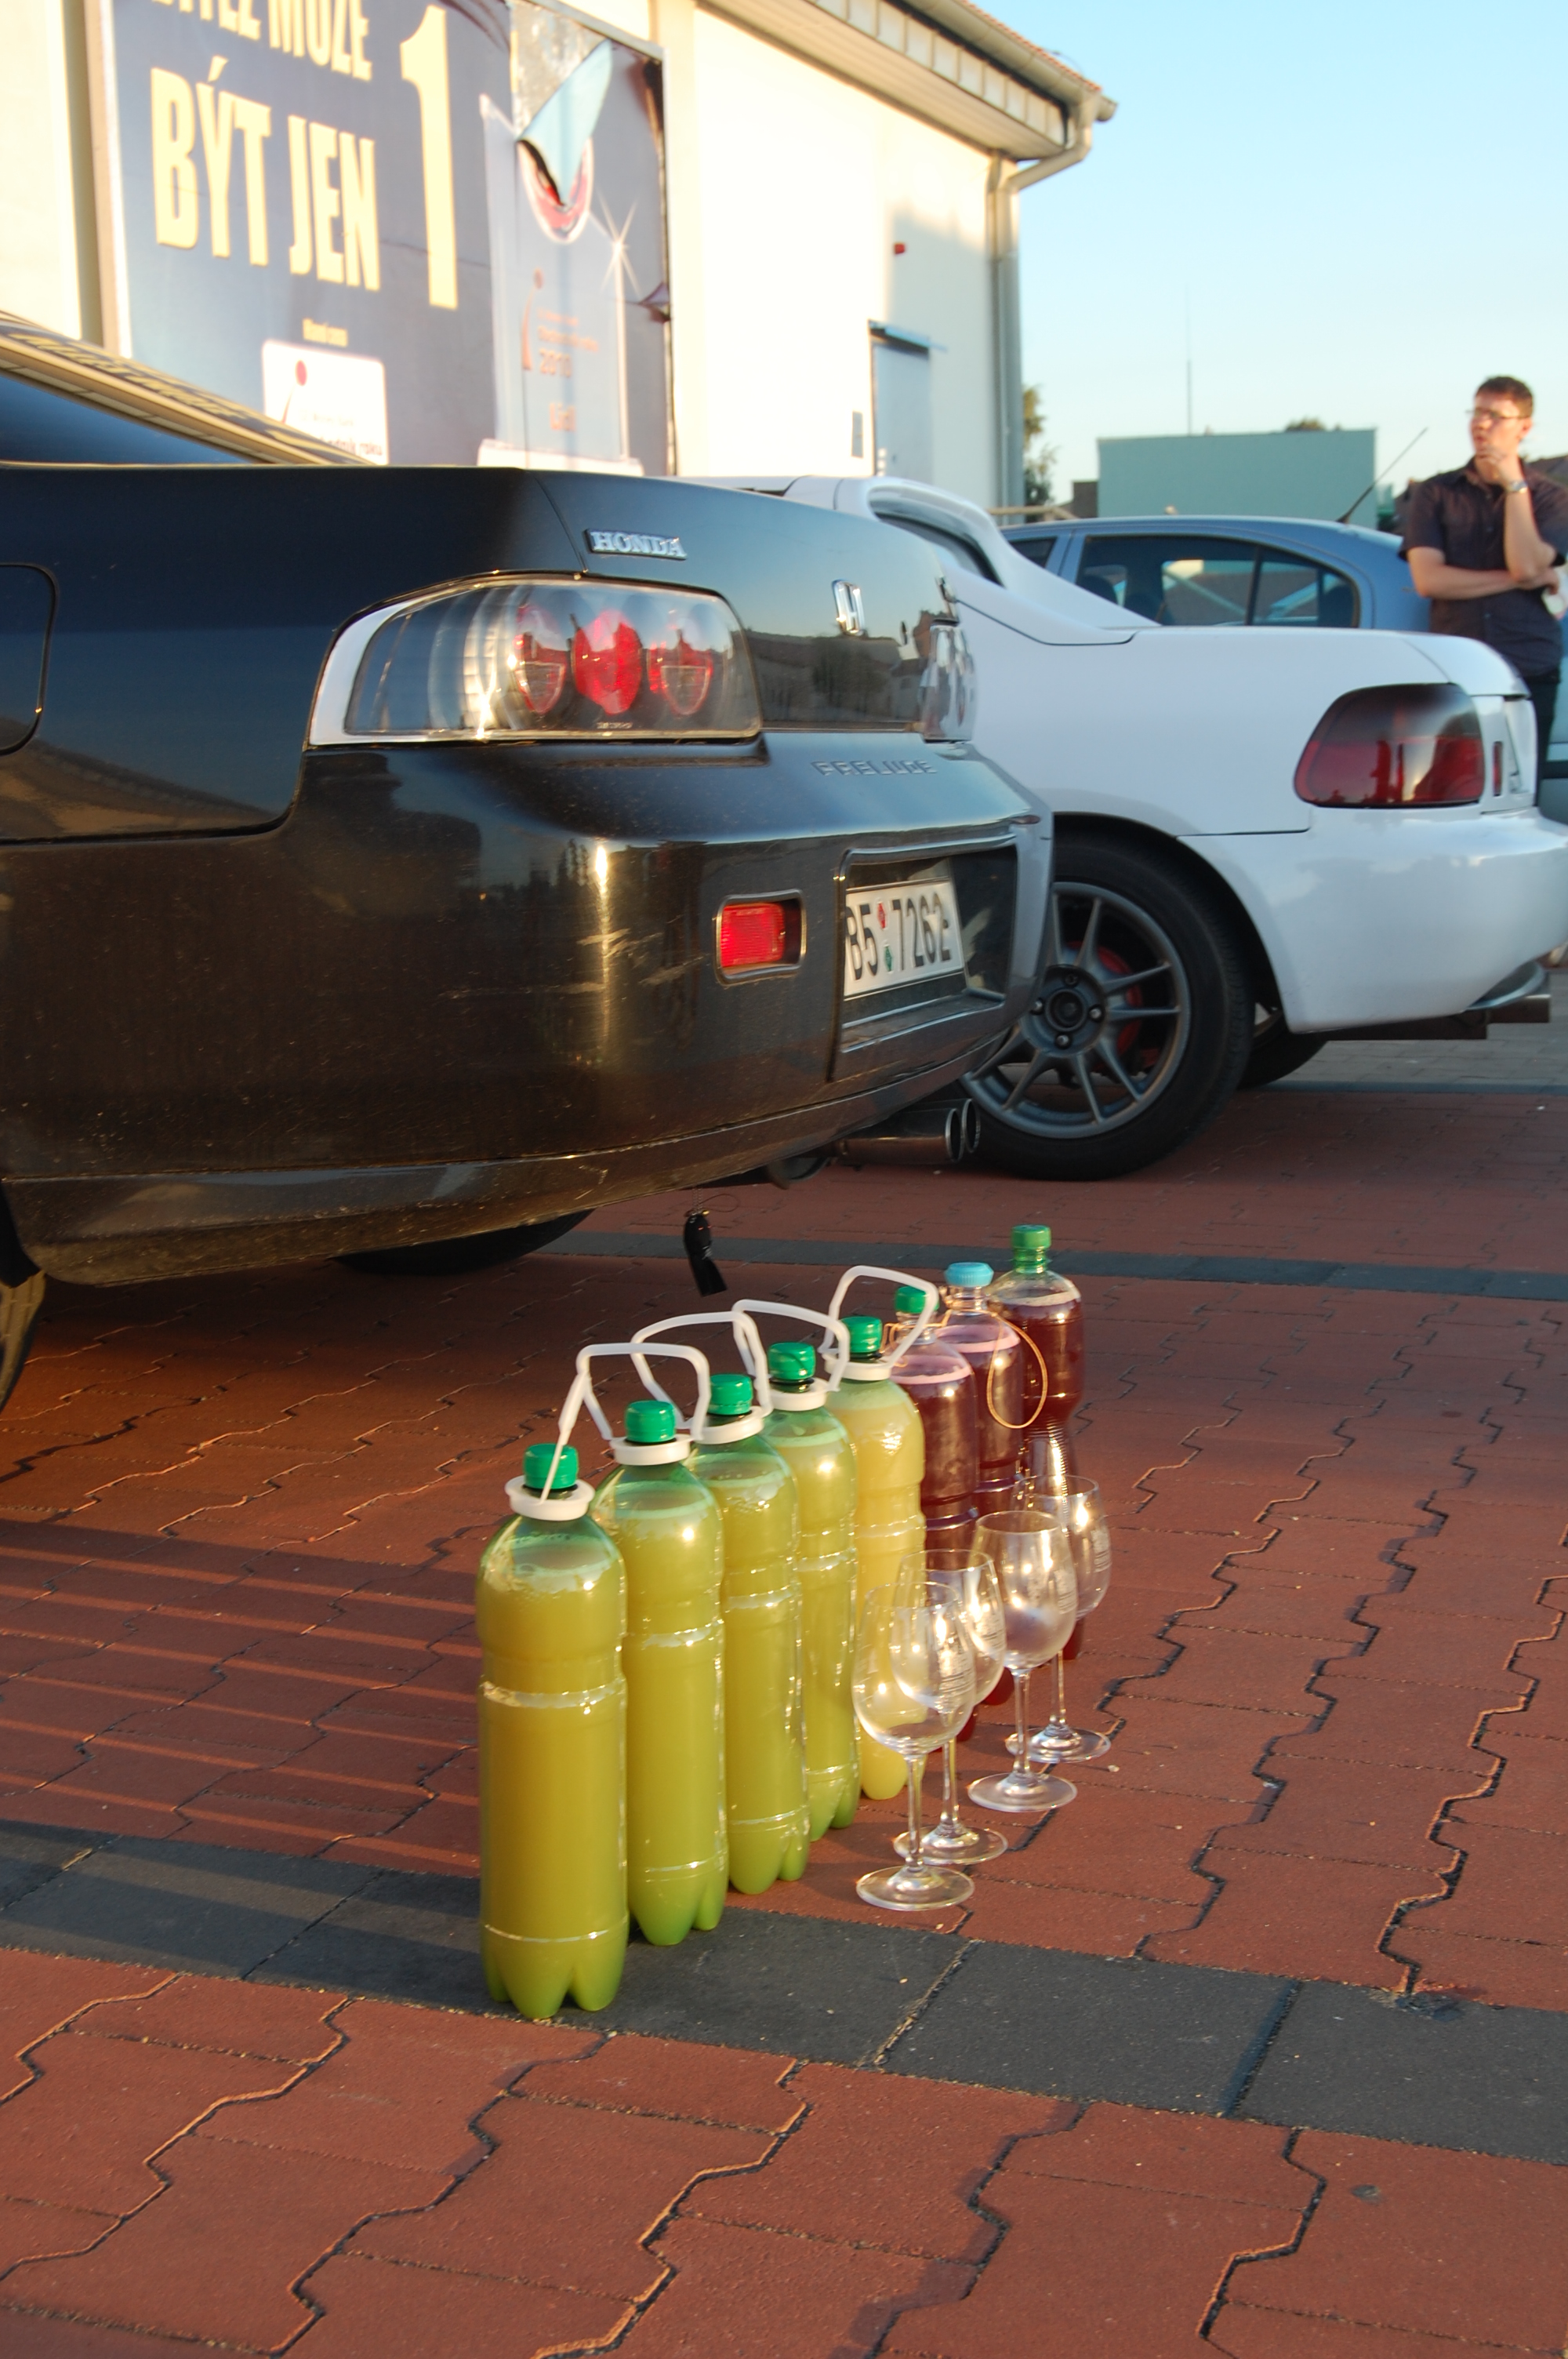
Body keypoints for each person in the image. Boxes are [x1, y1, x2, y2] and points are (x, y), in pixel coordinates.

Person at [1402, 377, 1568, 776]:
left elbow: (1526, 565)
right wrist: (1518, 580)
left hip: (1528, 671)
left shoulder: (1552, 498)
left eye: (1495, 415)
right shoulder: (1436, 493)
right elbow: (1429, 581)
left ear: (1523, 427)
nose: (1481, 423)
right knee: (1454, 786)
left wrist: (1515, 487)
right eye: (1477, 412)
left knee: (1521, 787)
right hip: (1457, 673)